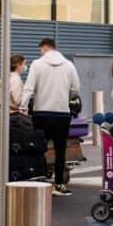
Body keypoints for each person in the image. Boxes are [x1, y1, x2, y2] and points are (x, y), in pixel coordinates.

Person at [23, 38, 81, 197]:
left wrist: (23, 106)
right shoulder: (69, 65)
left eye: (41, 50)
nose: (40, 53)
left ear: (44, 48)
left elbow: (29, 88)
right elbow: (76, 88)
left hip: (41, 113)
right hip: (62, 113)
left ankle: (40, 180)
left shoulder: (37, 64)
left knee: (39, 147)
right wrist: (66, 96)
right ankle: (60, 183)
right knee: (60, 149)